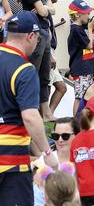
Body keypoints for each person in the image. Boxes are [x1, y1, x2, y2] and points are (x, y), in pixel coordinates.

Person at [0, 12, 58, 204]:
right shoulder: (24, 69)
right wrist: (47, 153)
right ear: (31, 36)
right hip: (10, 164)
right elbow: (31, 117)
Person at [17, 0, 54, 118]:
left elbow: (50, 9)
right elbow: (43, 10)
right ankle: (29, 110)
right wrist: (45, 9)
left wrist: (45, 9)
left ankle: (45, 112)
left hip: (44, 32)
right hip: (35, 33)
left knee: (44, 75)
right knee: (33, 72)